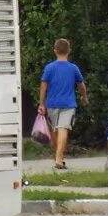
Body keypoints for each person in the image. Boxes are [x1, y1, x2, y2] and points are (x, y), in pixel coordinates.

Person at [38, 38, 88, 170]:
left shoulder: (49, 68)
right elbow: (81, 86)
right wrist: (84, 97)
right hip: (68, 104)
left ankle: (58, 158)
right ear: (69, 51)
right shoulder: (73, 68)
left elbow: (43, 87)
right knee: (61, 130)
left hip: (52, 104)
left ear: (55, 51)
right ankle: (58, 157)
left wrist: (41, 104)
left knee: (57, 130)